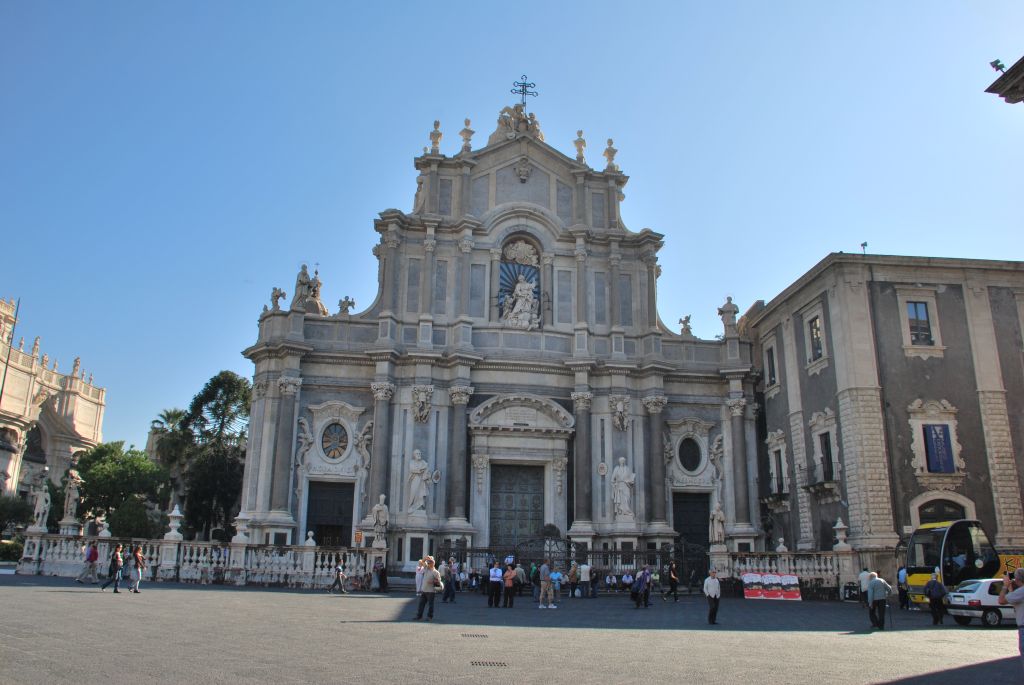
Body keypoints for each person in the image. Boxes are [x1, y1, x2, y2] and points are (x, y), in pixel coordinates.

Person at [997, 567, 1024, 677]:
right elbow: (1015, 601)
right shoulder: (1020, 592)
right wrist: (1010, 587)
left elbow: (1001, 600)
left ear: (1017, 580)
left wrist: (1005, 586)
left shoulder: (1022, 591)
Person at [413, 557, 442, 621]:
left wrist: (432, 581)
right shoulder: (426, 569)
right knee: (421, 604)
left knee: (430, 605)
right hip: (424, 590)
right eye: (428, 563)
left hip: (431, 591)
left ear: (432, 564)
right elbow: (422, 562)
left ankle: (429, 617)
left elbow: (438, 581)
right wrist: (426, 558)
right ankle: (419, 616)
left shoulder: (436, 572)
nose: (428, 564)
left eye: (429, 563)